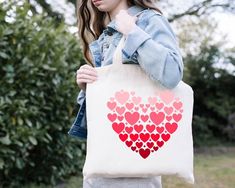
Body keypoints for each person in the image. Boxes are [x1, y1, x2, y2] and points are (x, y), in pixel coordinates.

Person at [68, 0, 184, 187]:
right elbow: (107, 107)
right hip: (100, 166)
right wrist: (87, 87)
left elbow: (172, 73)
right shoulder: (105, 34)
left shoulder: (148, 20)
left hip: (135, 172)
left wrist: (133, 32)